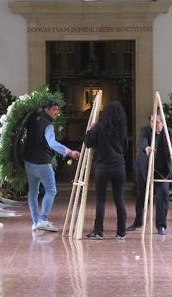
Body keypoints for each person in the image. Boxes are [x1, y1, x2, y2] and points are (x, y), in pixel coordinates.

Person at [23, 99, 80, 232]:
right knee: (51, 190)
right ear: (46, 109)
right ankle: (43, 219)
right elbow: (52, 143)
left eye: (57, 109)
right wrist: (69, 151)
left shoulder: (32, 119)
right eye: (54, 109)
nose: (56, 112)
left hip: (29, 161)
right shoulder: (48, 124)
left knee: (33, 192)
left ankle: (35, 221)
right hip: (42, 163)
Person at [127, 113, 172, 235]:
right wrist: (146, 148)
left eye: (157, 122)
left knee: (162, 197)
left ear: (163, 122)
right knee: (141, 196)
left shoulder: (169, 132)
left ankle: (161, 226)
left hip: (162, 171)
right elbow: (142, 141)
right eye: (152, 122)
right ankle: (138, 222)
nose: (154, 124)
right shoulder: (145, 130)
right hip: (146, 169)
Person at [84, 101, 129, 240]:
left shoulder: (99, 127)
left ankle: (98, 231)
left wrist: (90, 130)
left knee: (100, 199)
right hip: (119, 166)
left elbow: (87, 142)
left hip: (102, 167)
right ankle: (121, 231)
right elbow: (125, 147)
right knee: (119, 199)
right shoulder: (122, 129)